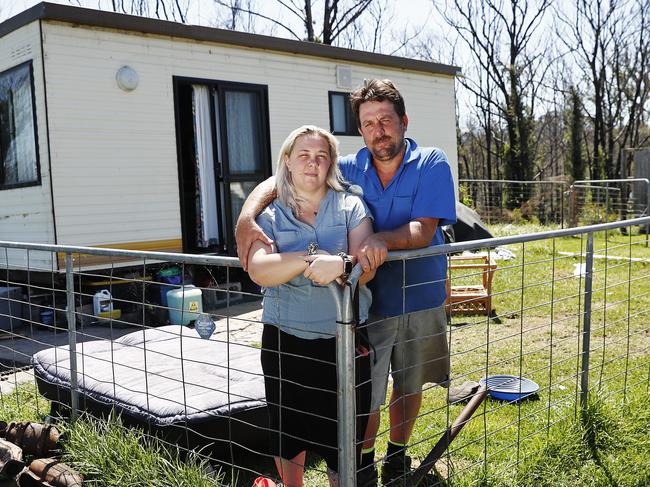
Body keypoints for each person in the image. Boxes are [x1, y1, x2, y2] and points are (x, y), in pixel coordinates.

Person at [237, 80, 456, 486]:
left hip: (417, 296)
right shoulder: (351, 166)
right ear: (361, 129)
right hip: (368, 306)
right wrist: (247, 215)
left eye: (386, 120)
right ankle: (365, 464)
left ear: (403, 121)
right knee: (365, 397)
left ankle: (397, 456)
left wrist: (374, 242)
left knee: (408, 384)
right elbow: (291, 173)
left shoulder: (430, 162)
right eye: (368, 123)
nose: (379, 130)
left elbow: (422, 231)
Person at [246, 125, 375, 487]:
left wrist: (345, 264)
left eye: (321, 156)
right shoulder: (271, 215)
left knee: (345, 428)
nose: (312, 163)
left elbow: (364, 262)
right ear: (287, 162)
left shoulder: (350, 204)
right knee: (288, 429)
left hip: (345, 339)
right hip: (287, 339)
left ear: (331, 163)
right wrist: (310, 257)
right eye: (303, 155)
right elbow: (260, 269)